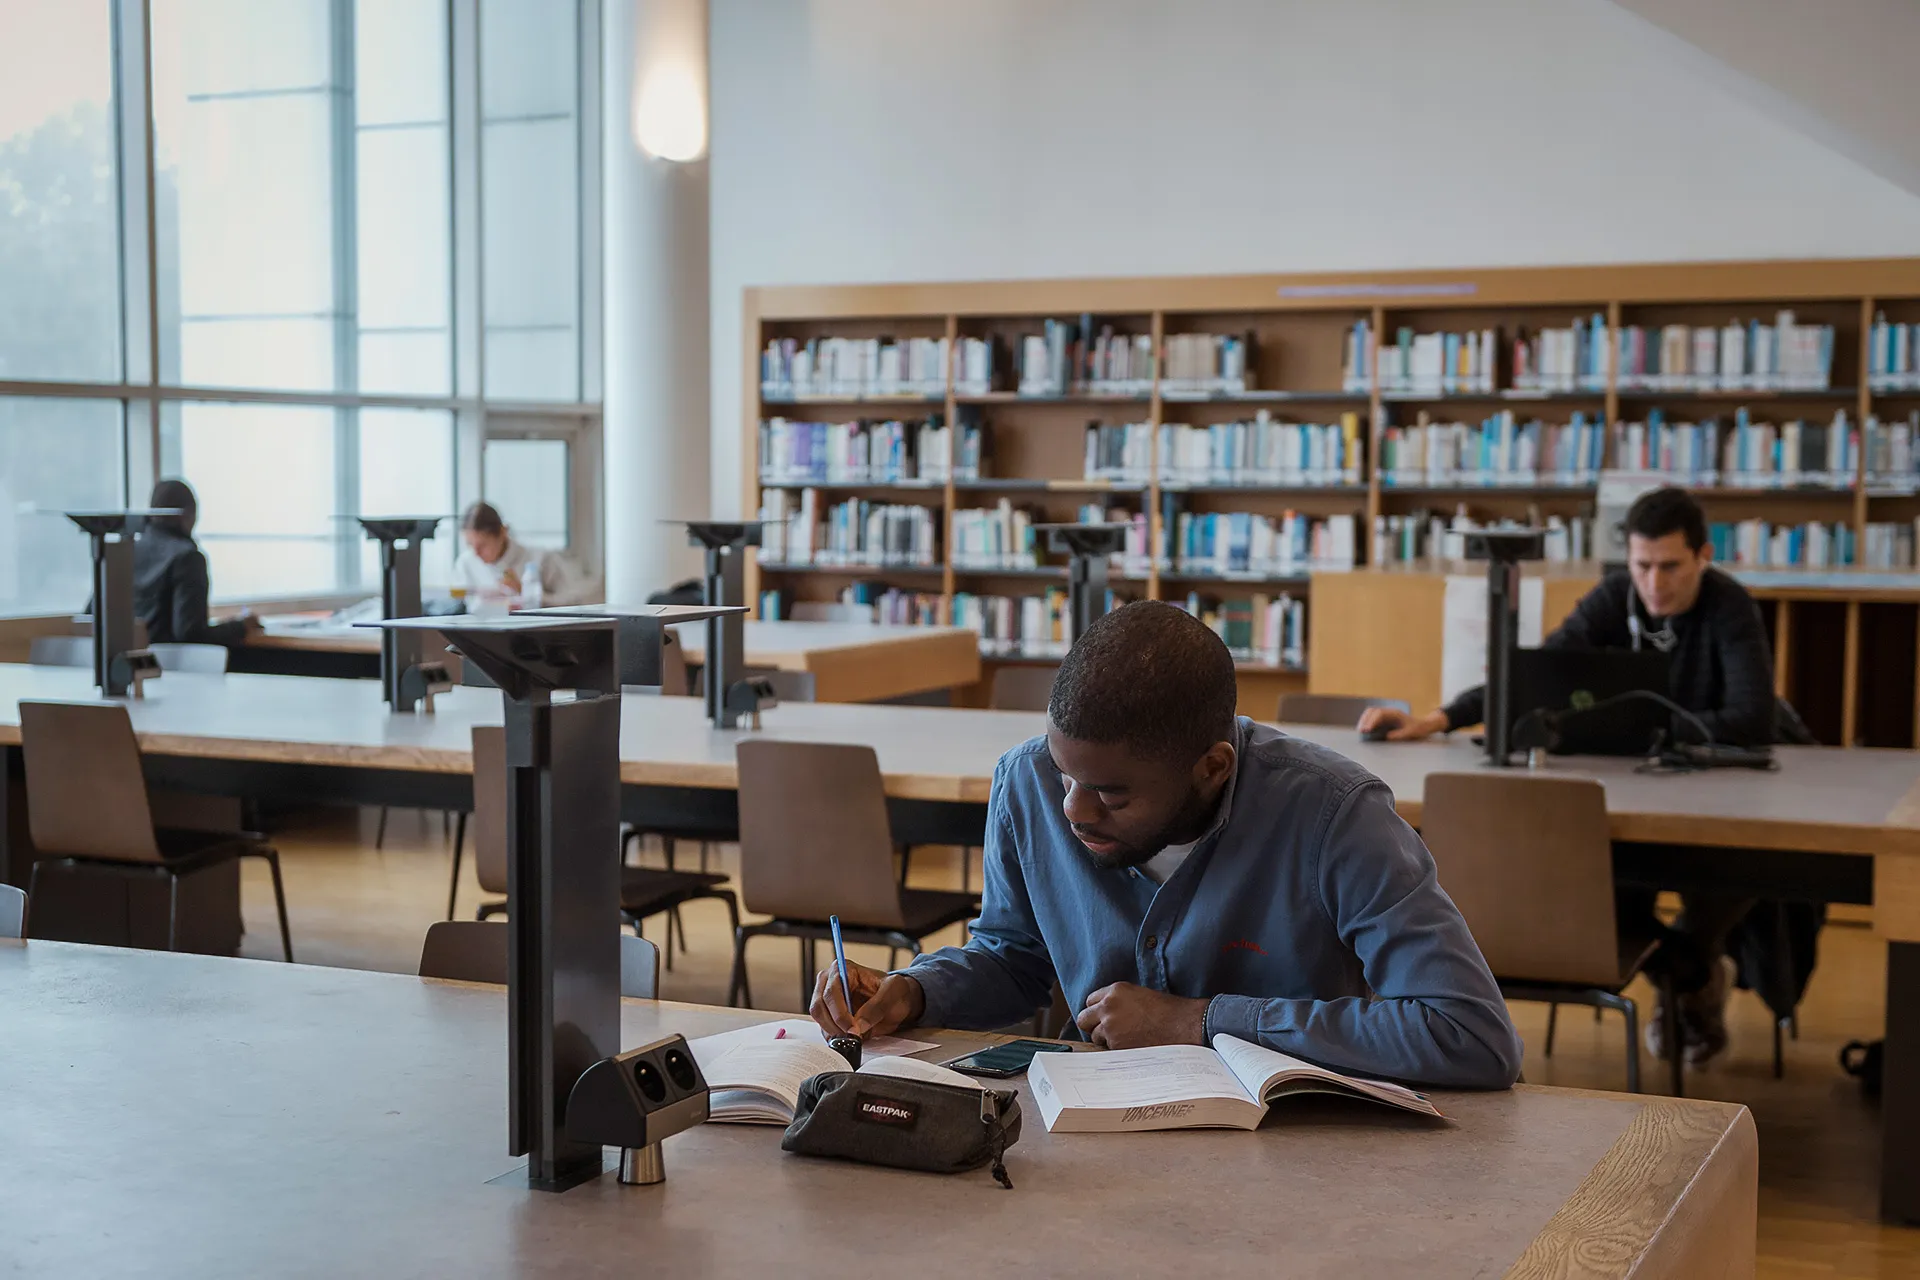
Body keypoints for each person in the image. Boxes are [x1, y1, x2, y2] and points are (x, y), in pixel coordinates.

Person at [812, 600, 1523, 1090]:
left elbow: (1470, 1033)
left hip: (1292, 1155)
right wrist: (916, 991)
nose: (1073, 809)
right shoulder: (1025, 780)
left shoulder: (1335, 814)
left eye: (1113, 794)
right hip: (1091, 1137)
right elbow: (1015, 959)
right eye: (1065, 776)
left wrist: (1200, 1021)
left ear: (1212, 768)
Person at [1356, 486, 1774, 1066]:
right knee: (1609, 891)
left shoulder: (1730, 607)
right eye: (1642, 566)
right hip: (1613, 806)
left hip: (1719, 802)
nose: (1654, 583)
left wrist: (1642, 728)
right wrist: (1437, 719)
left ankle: (1693, 963)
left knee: (1739, 873)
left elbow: (1753, 716)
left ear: (1704, 556)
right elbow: (1533, 678)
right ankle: (1689, 970)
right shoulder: (1613, 598)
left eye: (1671, 567)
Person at [132, 478, 257, 647]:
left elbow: (93, 617)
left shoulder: (124, 553)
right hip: (171, 668)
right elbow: (191, 633)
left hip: (126, 665)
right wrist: (240, 627)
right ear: (188, 515)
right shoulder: (187, 558)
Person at [452, 501, 578, 607]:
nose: (476, 553)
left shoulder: (541, 558)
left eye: (482, 545)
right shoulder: (466, 563)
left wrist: (526, 593)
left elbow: (572, 603)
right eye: (469, 544)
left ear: (503, 532)